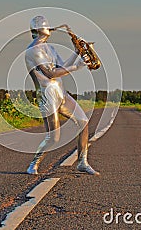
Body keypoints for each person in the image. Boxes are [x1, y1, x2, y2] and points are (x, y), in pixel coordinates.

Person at [25, 15, 100, 176]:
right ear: (38, 29)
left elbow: (61, 66)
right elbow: (51, 73)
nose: (49, 28)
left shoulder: (49, 48)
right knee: (54, 138)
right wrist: (76, 67)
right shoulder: (33, 51)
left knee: (83, 122)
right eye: (45, 26)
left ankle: (82, 162)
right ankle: (34, 163)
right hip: (47, 96)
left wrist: (76, 53)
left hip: (60, 92)